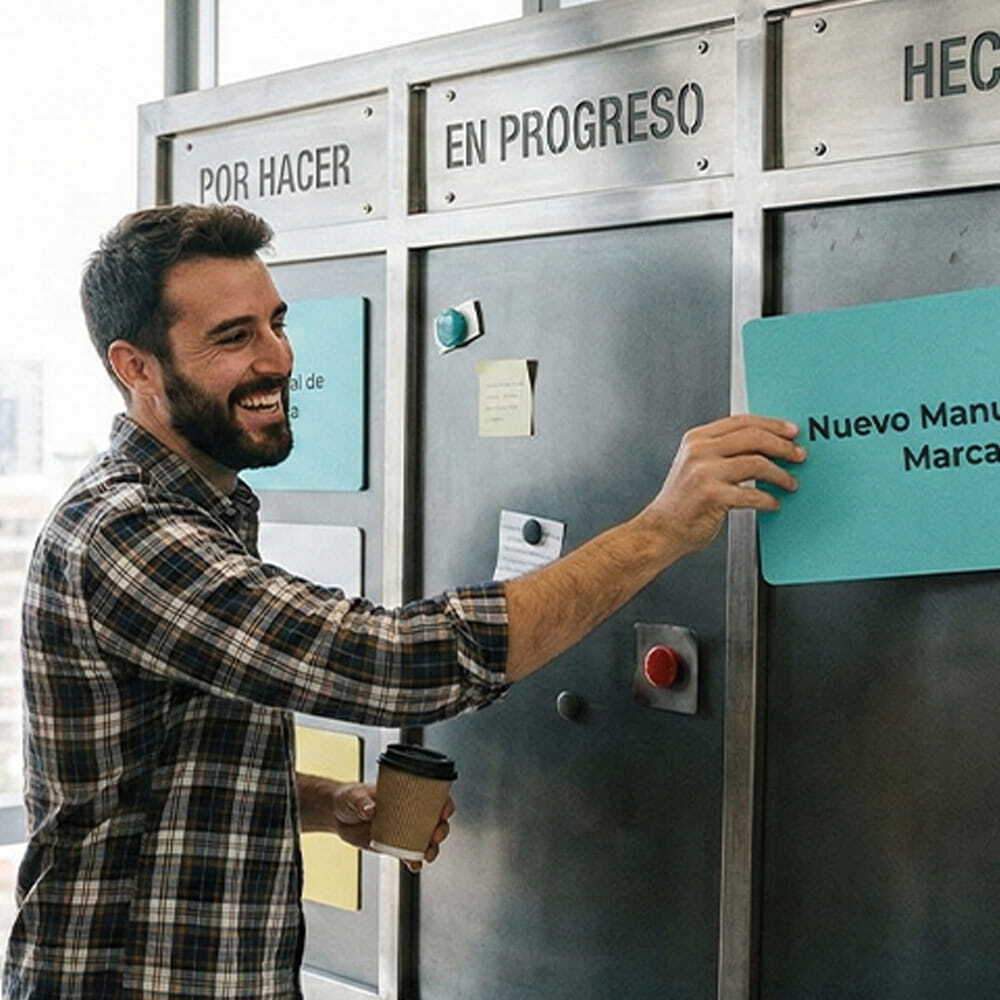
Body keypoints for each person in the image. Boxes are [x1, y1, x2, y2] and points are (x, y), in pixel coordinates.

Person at [2, 204, 804, 1000]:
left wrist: (329, 804)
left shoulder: (206, 511)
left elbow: (154, 777)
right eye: (233, 337)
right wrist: (661, 530)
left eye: (276, 323)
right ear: (136, 367)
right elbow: (394, 664)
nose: (276, 358)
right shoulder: (130, 530)